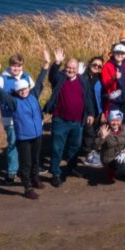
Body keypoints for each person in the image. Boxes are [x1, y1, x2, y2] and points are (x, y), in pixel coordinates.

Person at [0, 57, 48, 198]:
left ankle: (35, 179)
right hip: (24, 137)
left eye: (25, 89)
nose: (23, 91)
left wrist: (46, 65)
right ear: (17, 92)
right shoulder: (14, 102)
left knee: (36, 159)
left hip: (37, 134)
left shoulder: (33, 95)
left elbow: (39, 81)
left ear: (28, 88)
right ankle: (27, 187)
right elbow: (1, 94)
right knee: (26, 163)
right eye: (20, 90)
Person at [44, 49, 97, 186]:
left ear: (78, 70)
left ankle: (71, 168)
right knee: (57, 148)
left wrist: (90, 113)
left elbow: (88, 98)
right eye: (68, 67)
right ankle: (55, 173)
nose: (70, 70)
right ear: (65, 67)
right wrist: (57, 63)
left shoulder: (83, 81)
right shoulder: (60, 78)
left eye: (73, 68)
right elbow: (52, 76)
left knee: (75, 147)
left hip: (77, 122)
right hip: (60, 120)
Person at [0, 53, 34, 185]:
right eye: (13, 65)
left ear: (22, 65)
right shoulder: (3, 79)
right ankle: (12, 172)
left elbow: (33, 93)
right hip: (10, 118)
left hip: (25, 118)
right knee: (13, 144)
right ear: (9, 65)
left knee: (28, 144)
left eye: (19, 65)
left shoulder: (26, 76)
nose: (16, 68)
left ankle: (30, 169)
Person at [95, 110, 125, 184]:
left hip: (123, 153)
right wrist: (102, 137)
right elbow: (96, 146)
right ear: (109, 120)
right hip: (110, 158)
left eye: (118, 120)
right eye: (113, 120)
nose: (115, 123)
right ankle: (113, 172)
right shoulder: (104, 129)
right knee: (121, 167)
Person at [102, 43, 125, 127]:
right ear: (113, 53)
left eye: (122, 53)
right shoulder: (107, 66)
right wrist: (114, 78)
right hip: (114, 100)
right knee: (114, 122)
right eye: (117, 53)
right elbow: (105, 84)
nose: (120, 55)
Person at [82, 56, 106, 166]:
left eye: (99, 66)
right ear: (89, 64)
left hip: (97, 109)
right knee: (89, 132)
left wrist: (103, 111)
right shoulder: (83, 76)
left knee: (95, 131)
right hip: (86, 109)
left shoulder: (100, 78)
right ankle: (88, 155)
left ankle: (92, 151)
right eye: (94, 64)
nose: (97, 67)